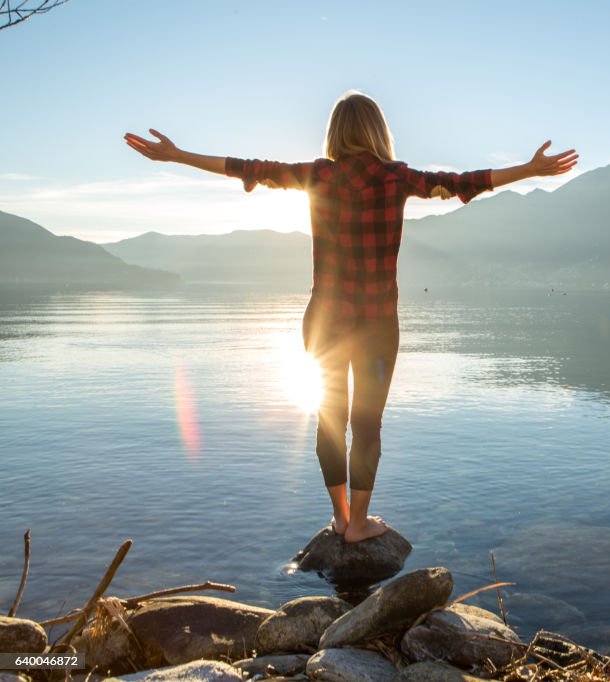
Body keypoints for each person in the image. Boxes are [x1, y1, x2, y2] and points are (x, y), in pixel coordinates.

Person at [124, 90, 577, 542]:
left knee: (329, 417)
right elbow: (464, 182)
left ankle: (340, 518)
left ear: (335, 132)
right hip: (378, 322)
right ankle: (359, 523)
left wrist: (178, 155)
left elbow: (247, 169)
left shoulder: (318, 175)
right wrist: (530, 170)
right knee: (367, 424)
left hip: (324, 319)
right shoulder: (396, 177)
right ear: (379, 132)